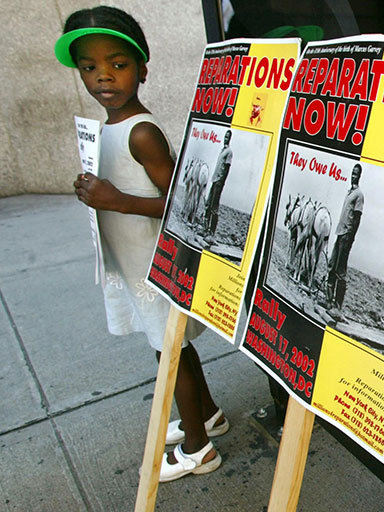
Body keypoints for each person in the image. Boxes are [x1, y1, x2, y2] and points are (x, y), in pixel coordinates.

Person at [57, 6, 228, 483]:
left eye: (118, 64)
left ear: (143, 69)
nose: (103, 77)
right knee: (169, 348)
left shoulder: (143, 132)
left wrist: (117, 199)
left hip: (156, 264)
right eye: (89, 67)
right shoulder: (107, 129)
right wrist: (96, 191)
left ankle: (199, 448)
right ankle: (208, 414)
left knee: (169, 350)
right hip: (133, 260)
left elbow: (182, 204)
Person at [325, 163, 364, 320]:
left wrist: (350, 239)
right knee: (332, 265)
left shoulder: (359, 195)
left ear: (359, 176)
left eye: (356, 174)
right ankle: (328, 301)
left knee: (341, 271)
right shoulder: (350, 192)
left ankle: (337, 307)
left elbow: (357, 219)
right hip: (340, 234)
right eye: (352, 173)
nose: (353, 176)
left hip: (346, 236)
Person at [202, 128, 233, 246]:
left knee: (214, 208)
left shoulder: (229, 152)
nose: (225, 139)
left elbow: (226, 169)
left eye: (227, 137)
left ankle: (212, 234)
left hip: (218, 183)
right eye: (225, 136)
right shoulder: (222, 151)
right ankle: (205, 230)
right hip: (214, 180)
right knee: (208, 205)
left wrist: (221, 182)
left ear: (230, 139)